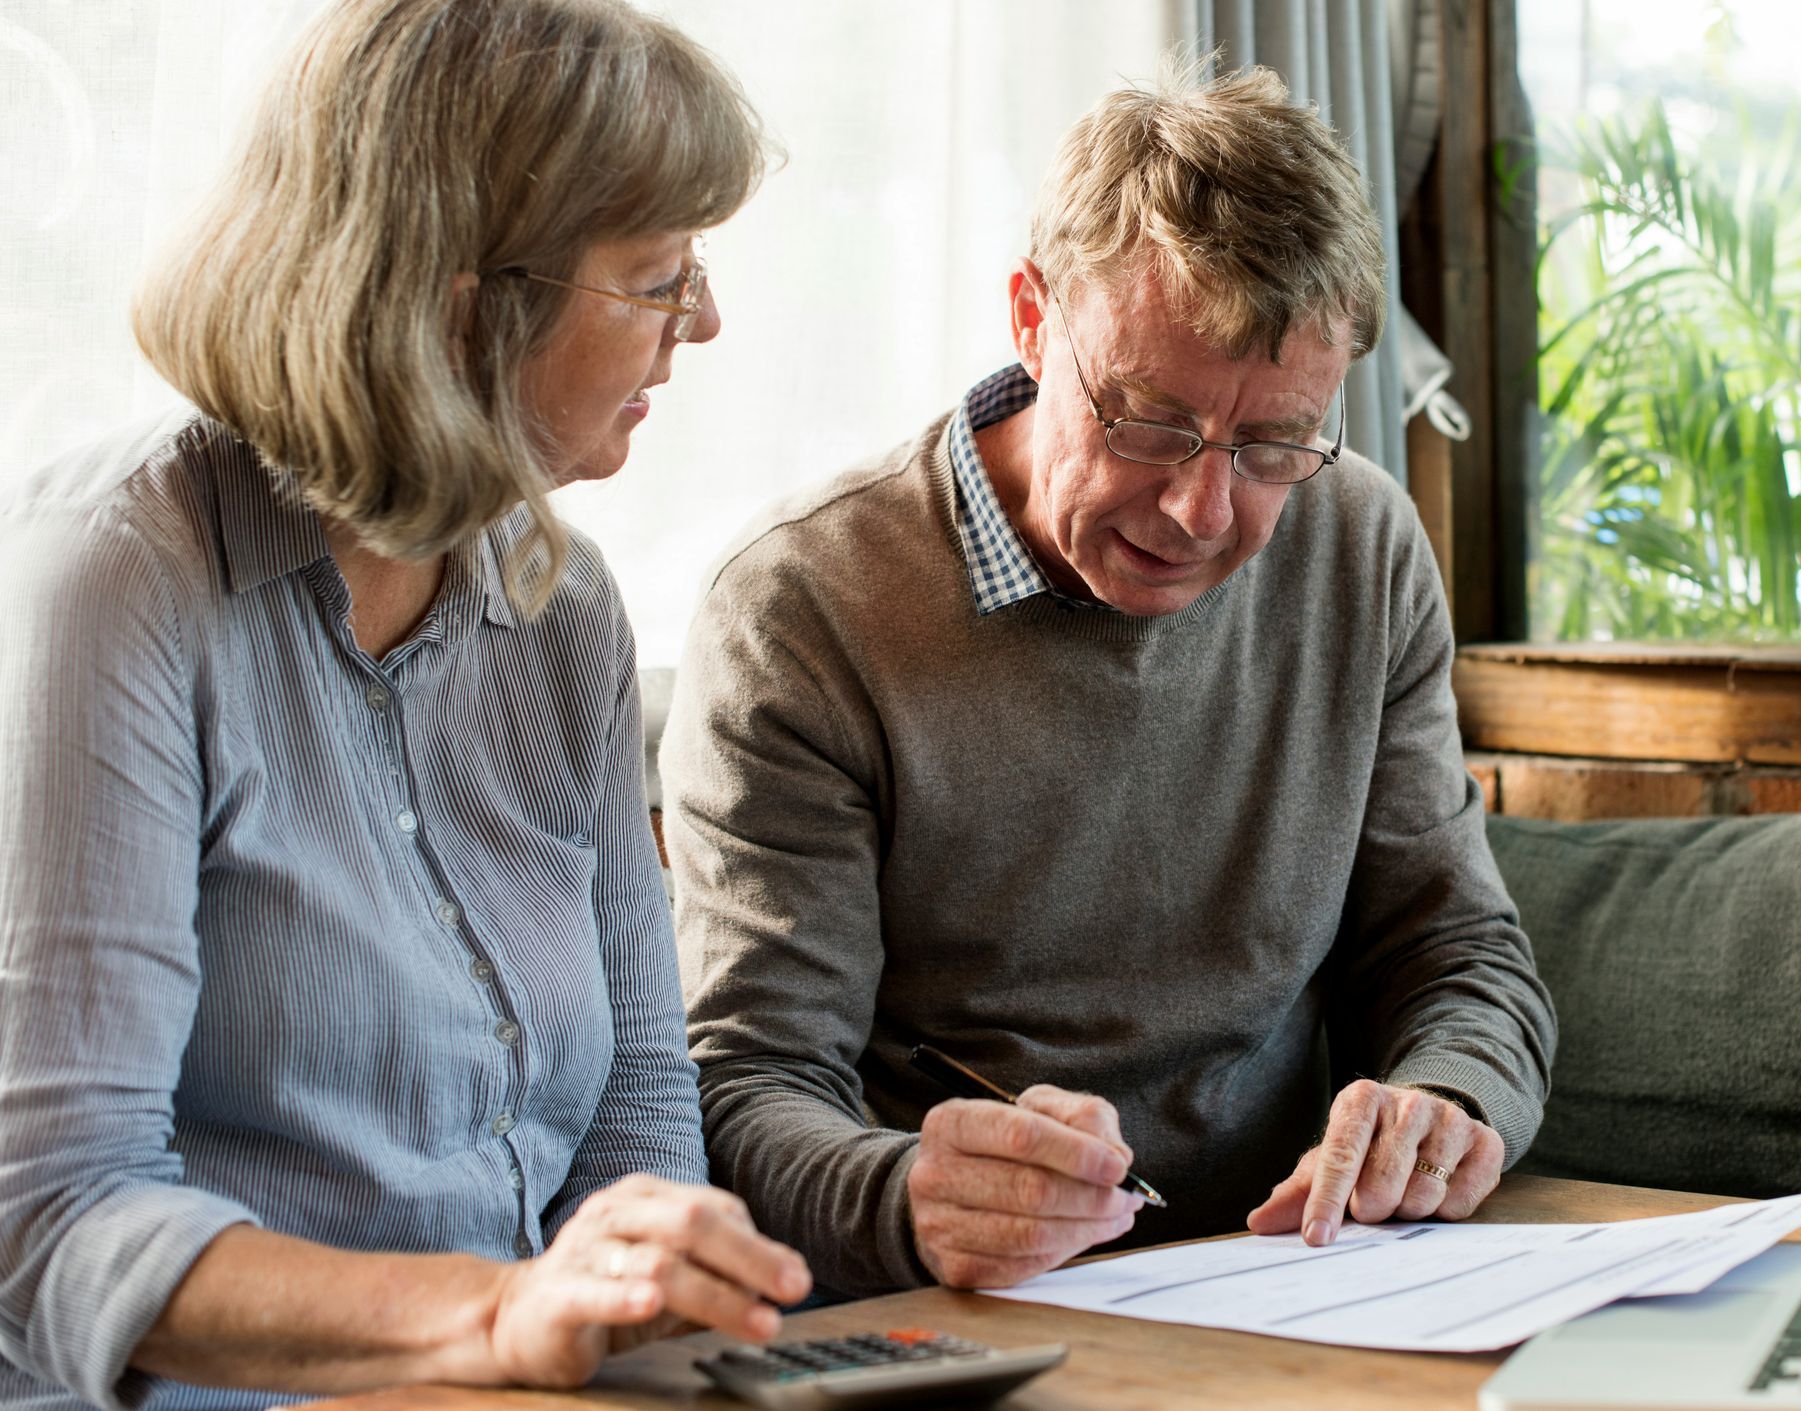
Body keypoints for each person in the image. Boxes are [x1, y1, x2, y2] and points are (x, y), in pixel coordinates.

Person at [0, 3, 812, 1407]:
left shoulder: (564, 606)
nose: (705, 322)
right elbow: (52, 1214)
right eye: (658, 277)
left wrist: (646, 1295)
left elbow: (635, 1088)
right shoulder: (115, 580)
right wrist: (501, 1314)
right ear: (459, 298)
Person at [661, 63, 1557, 1297]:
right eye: (1147, 420)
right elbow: (749, 1083)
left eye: (1271, 444)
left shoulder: (1360, 543)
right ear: (1032, 319)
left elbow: (1457, 952)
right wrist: (904, 1196)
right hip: (955, 1307)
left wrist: (1448, 1103)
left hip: (1304, 1281)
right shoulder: (802, 608)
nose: (1202, 509)